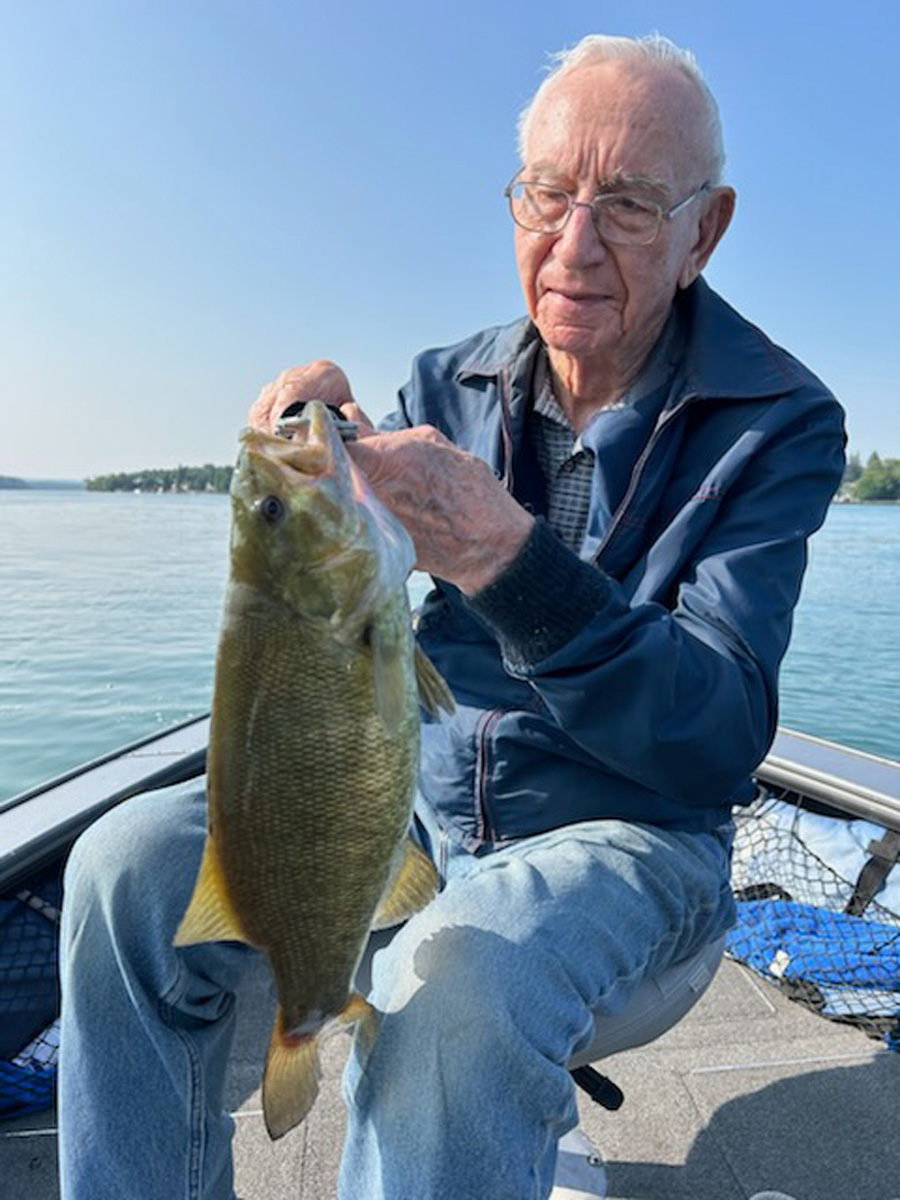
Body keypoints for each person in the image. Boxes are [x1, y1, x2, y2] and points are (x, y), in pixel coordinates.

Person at [58, 32, 845, 1200]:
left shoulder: (777, 422)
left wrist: (502, 552)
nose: (574, 246)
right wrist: (302, 441)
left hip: (631, 841)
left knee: (450, 984)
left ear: (705, 232)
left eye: (627, 204)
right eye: (549, 194)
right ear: (514, 202)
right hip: (414, 815)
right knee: (120, 866)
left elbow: (718, 732)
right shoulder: (446, 383)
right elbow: (336, 571)